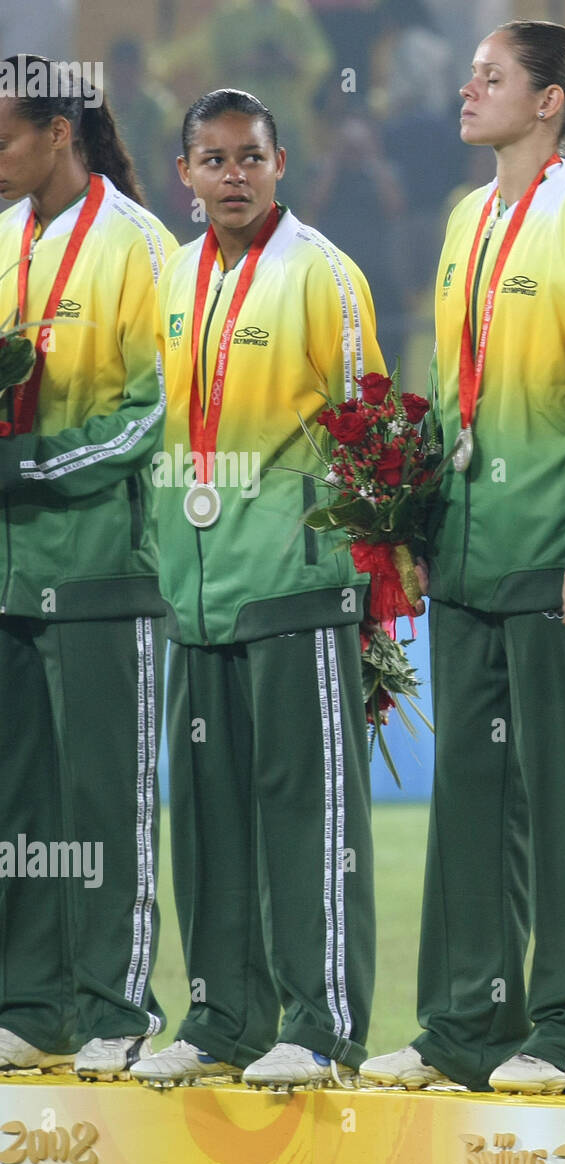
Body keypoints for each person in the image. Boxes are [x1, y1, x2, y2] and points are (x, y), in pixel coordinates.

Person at [360, 20, 565, 1097]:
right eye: (470, 74)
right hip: (468, 556)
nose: (466, 90)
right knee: (470, 795)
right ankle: (461, 1026)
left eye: (490, 78)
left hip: (555, 564)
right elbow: (444, 385)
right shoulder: (465, 217)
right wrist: (416, 520)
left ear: (549, 105)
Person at [129, 89, 380, 1090]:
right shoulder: (175, 282)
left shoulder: (321, 274)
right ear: (184, 177)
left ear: (282, 166)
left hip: (294, 591)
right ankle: (220, 1017)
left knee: (305, 812)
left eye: (250, 158)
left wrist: (356, 577)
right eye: (213, 159)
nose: (233, 174)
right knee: (207, 816)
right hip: (195, 596)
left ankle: (320, 1025)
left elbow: (373, 437)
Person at [0, 56, 176, 1080]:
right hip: (9, 572)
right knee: (20, 805)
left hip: (105, 568)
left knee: (102, 801)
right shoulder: (3, 238)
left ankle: (117, 1004)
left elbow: (153, 411)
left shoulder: (139, 246)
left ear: (59, 134)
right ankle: (31, 1002)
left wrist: (27, 462)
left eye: (4, 140)